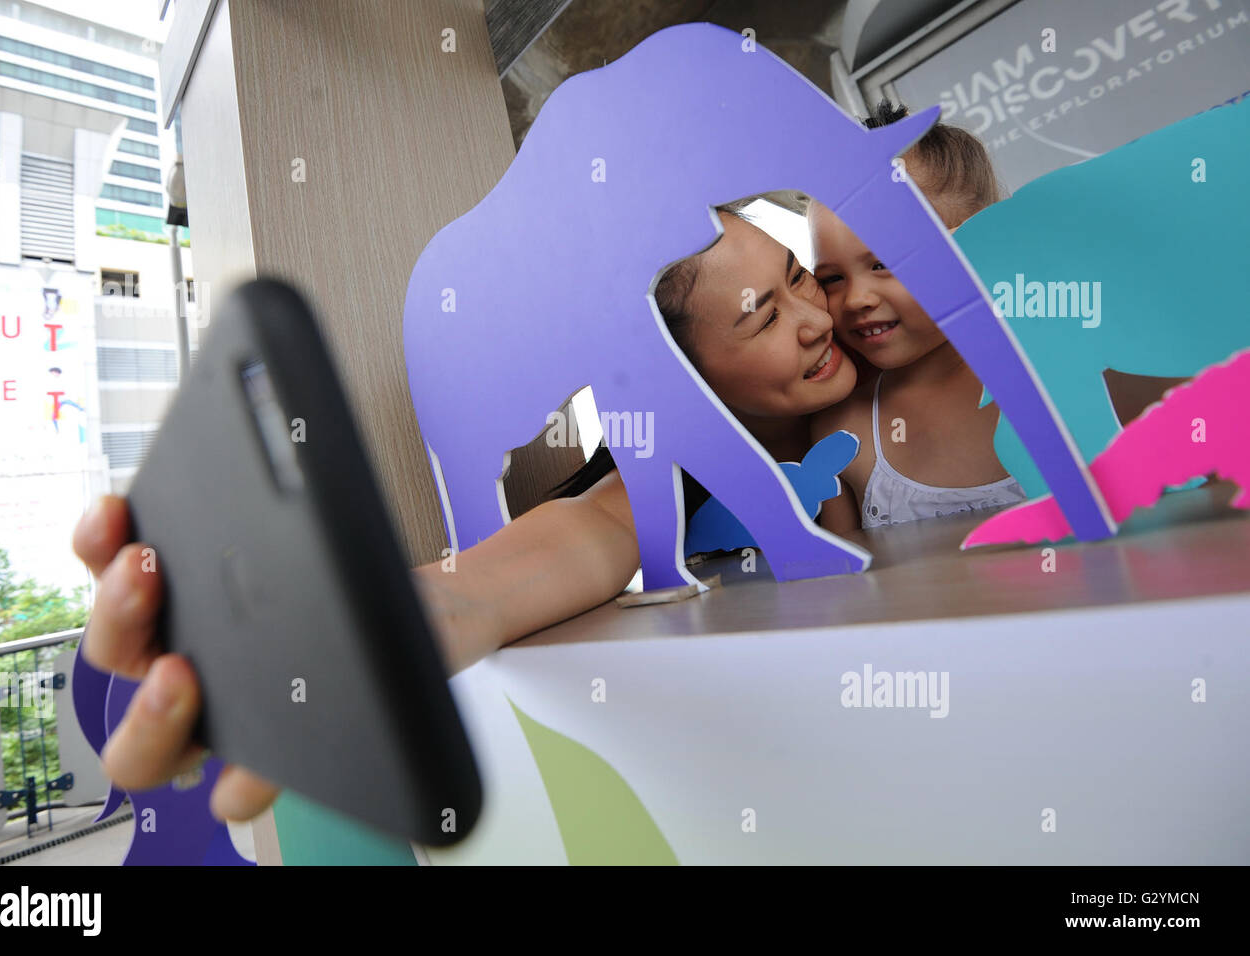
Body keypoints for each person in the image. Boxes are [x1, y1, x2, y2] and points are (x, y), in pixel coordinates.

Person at [73, 199, 861, 822]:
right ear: (676, 379)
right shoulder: (669, 479)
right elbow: (590, 530)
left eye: (800, 276)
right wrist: (394, 620)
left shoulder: (897, 357)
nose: (818, 317)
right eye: (764, 317)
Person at [808, 101, 1025, 533]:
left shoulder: (1073, 374)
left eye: (885, 263)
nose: (856, 299)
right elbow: (847, 594)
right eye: (831, 278)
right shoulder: (840, 433)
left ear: (980, 239)